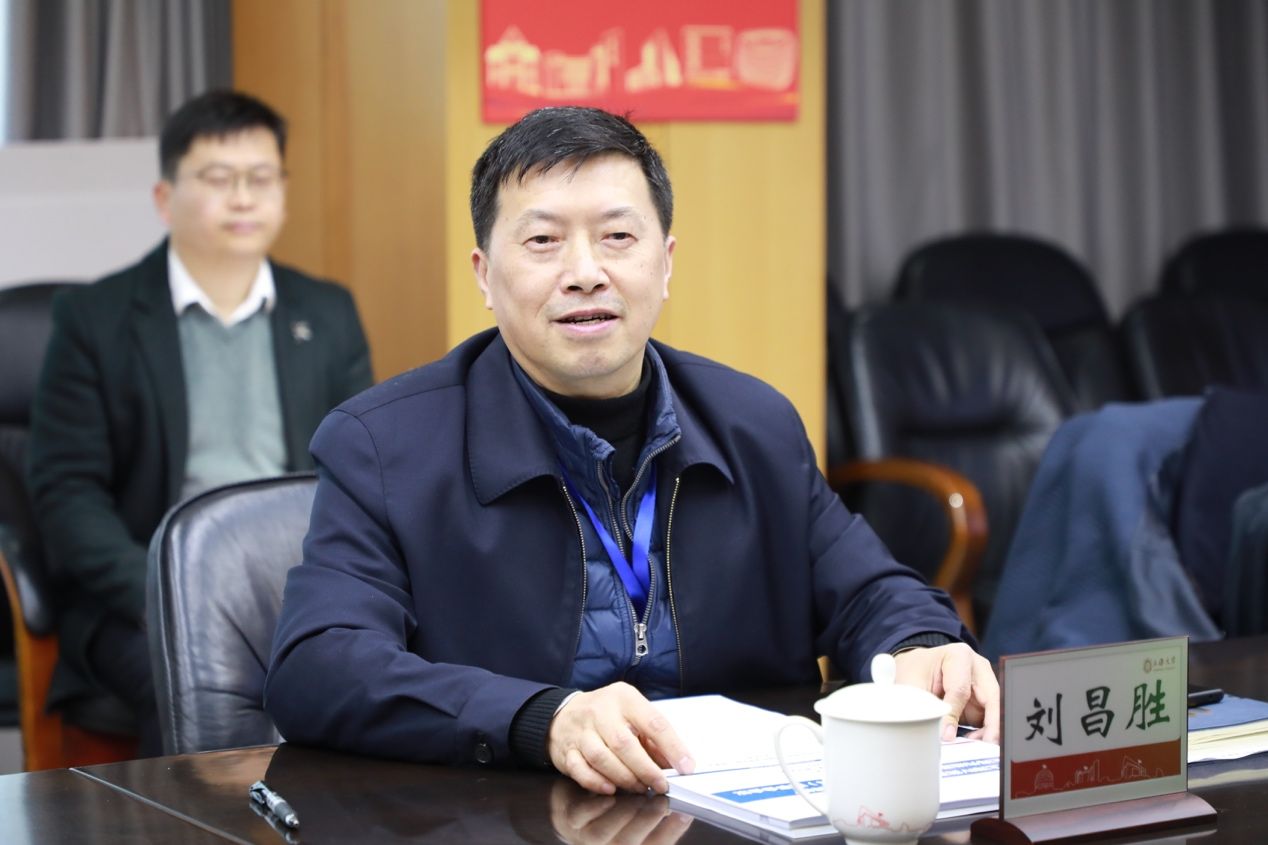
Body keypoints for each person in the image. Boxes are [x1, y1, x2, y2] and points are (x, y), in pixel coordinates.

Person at [265, 106, 997, 795]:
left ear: (666, 262)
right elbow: (318, 666)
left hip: (739, 812)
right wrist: (539, 718)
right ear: (485, 275)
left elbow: (869, 589)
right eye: (543, 241)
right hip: (511, 813)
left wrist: (922, 644)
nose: (586, 271)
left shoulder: (754, 424)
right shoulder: (384, 445)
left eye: (618, 236)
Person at [27, 89, 373, 753]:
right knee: (196, 685)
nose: (243, 199)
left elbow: (360, 475)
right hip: (144, 596)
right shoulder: (95, 318)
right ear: (165, 198)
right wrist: (170, 592)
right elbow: (67, 495)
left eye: (261, 178)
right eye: (218, 179)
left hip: (296, 588)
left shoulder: (327, 313)